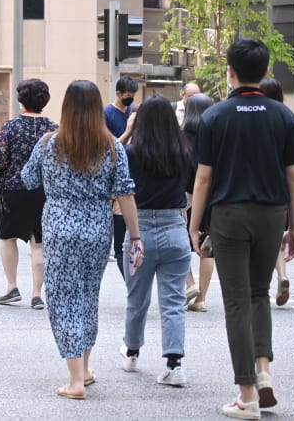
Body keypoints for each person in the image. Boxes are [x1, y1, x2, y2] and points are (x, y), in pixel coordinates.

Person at [189, 38, 294, 419]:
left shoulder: (215, 117)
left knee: (236, 302)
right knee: (259, 294)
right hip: (272, 214)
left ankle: (247, 394)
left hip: (229, 214)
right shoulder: (283, 115)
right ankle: (264, 370)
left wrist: (193, 224)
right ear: (267, 72)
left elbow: (203, 179)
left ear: (229, 71)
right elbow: (293, 178)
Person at [21, 79, 140, 399]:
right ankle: (84, 369)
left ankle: (74, 380)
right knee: (88, 297)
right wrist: (136, 236)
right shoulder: (112, 145)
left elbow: (28, 178)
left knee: (62, 301)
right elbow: (125, 192)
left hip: (59, 229)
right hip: (97, 230)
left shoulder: (50, 143)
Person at [119, 96, 192, 387]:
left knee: (137, 298)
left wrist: (127, 130)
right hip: (175, 226)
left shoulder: (130, 152)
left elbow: (112, 164)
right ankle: (174, 365)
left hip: (140, 231)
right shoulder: (184, 151)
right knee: (174, 301)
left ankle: (132, 351)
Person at [0, 78, 58, 310]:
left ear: (21, 100)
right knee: (38, 244)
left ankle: (11, 287)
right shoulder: (54, 128)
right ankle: (37, 294)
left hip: (14, 189)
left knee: (7, 237)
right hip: (44, 191)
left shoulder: (10, 127)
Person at [181, 93, 216, 313]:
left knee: (181, 244)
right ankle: (201, 299)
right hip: (212, 201)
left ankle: (190, 284)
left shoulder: (180, 137)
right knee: (207, 249)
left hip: (186, 199)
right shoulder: (217, 137)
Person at [259, 78, 291, 306]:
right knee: (276, 238)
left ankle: (263, 285)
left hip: (257, 186)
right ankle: (282, 275)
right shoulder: (287, 117)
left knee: (258, 241)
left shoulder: (256, 117)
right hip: (281, 188)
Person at [104, 76, 139, 278]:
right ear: (118, 93)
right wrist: (128, 132)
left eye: (132, 98)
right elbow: (109, 148)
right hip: (115, 175)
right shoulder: (107, 114)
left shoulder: (133, 111)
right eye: (127, 97)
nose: (130, 101)